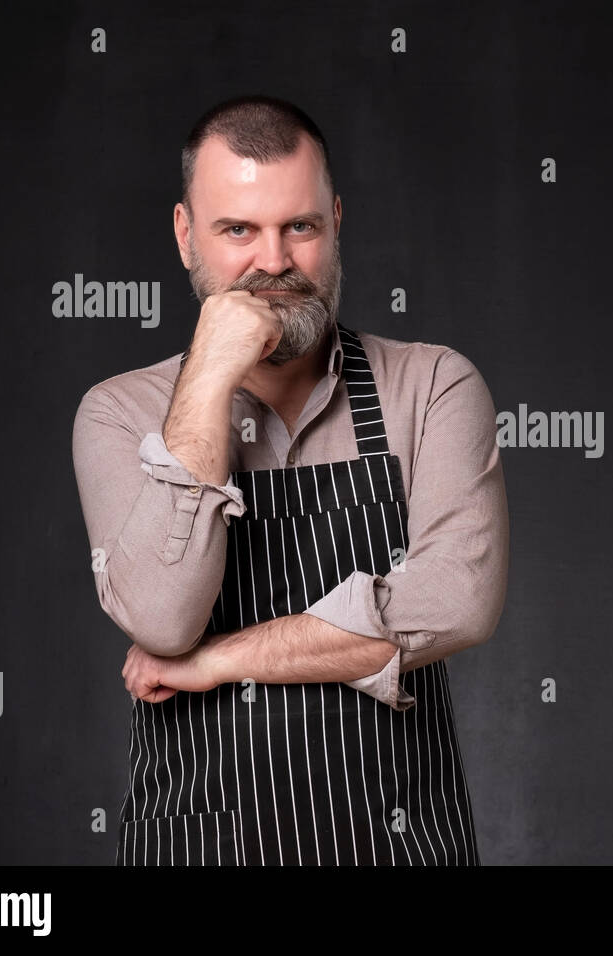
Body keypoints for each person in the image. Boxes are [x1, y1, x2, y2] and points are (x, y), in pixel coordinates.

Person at [70, 95, 509, 866]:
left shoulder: (433, 385)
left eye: (298, 227)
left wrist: (218, 660)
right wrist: (208, 374)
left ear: (335, 222)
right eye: (237, 230)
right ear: (185, 236)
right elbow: (165, 622)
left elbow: (455, 603)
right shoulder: (117, 413)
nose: (273, 262)